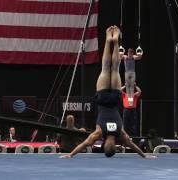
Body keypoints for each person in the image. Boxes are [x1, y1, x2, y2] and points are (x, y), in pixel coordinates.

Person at [60, 26, 154, 159]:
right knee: (105, 69)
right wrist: (70, 155)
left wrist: (144, 156)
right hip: (103, 97)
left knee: (114, 69)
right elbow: (85, 143)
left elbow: (133, 146)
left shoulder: (119, 134)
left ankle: (115, 41)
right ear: (104, 145)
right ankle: (108, 39)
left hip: (115, 98)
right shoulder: (99, 133)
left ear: (114, 145)